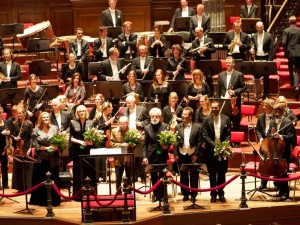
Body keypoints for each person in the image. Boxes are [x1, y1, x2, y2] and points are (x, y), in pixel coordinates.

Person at [29, 112, 61, 206]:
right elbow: (35, 145)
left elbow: (60, 140)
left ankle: (55, 200)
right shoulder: (36, 130)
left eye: (47, 117)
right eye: (44, 117)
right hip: (42, 159)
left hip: (53, 158)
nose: (46, 118)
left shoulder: (54, 128)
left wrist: (57, 147)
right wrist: (46, 148)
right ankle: (42, 201)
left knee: (54, 179)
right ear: (40, 119)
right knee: (42, 180)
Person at [202, 101, 231, 203]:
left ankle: (221, 193)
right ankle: (213, 194)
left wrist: (223, 146)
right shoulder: (206, 120)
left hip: (222, 151)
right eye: (213, 108)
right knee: (212, 173)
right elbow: (205, 136)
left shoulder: (226, 119)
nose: (214, 109)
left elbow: (228, 135)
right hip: (210, 151)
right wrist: (216, 147)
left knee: (222, 172)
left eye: (216, 108)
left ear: (219, 108)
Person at [266, 103, 295, 201]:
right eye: (274, 112)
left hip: (284, 152)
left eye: (277, 111)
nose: (276, 114)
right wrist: (271, 134)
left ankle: (285, 193)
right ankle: (280, 191)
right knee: (276, 172)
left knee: (283, 172)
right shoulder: (272, 122)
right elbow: (268, 135)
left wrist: (281, 136)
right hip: (274, 152)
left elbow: (291, 137)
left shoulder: (288, 122)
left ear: (282, 112)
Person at [174, 107, 202, 202]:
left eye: (185, 114)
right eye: (182, 114)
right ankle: (185, 194)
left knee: (194, 175)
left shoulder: (198, 127)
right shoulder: (178, 126)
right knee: (183, 175)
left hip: (193, 153)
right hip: (182, 153)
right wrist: (175, 154)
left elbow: (199, 142)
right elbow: (175, 141)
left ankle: (194, 194)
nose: (182, 116)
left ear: (190, 116)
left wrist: (196, 155)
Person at [70, 105, 96, 196]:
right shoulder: (72, 122)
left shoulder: (91, 122)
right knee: (78, 172)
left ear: (86, 112)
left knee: (89, 171)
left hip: (89, 150)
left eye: (83, 111)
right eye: (79, 111)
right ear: (77, 113)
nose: (81, 113)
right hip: (77, 151)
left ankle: (91, 194)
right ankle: (79, 194)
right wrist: (80, 142)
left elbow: (95, 137)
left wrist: (91, 142)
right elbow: (70, 138)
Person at [142, 107, 168, 202]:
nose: (154, 118)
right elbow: (145, 144)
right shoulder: (147, 128)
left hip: (162, 154)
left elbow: (168, 141)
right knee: (153, 176)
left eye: (156, 116)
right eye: (152, 116)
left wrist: (166, 147)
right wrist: (144, 156)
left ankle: (162, 195)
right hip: (151, 155)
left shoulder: (165, 126)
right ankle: (156, 195)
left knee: (162, 175)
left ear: (159, 117)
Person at [216, 56, 246, 131]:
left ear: (233, 63)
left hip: (234, 103)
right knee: (225, 123)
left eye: (229, 63)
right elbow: (218, 90)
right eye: (227, 63)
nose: (228, 64)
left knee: (236, 122)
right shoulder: (221, 75)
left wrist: (235, 92)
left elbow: (244, 87)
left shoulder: (239, 74)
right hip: (224, 101)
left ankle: (236, 142)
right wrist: (218, 101)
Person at [11, 105, 34, 192]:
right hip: (18, 147)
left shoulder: (29, 123)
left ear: (24, 114)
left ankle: (28, 187)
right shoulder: (14, 123)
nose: (19, 115)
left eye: (20, 113)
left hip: (27, 146)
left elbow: (32, 136)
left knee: (27, 167)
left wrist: (30, 148)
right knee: (19, 167)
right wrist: (14, 137)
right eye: (18, 113)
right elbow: (11, 134)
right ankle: (20, 187)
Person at [250, 21, 274, 99]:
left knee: (266, 77)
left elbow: (271, 49)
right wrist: (251, 49)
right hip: (257, 57)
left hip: (265, 58)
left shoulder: (269, 36)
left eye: (261, 27)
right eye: (258, 28)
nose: (259, 29)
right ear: (256, 28)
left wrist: (269, 61)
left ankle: (266, 94)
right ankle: (258, 94)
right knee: (256, 76)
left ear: (263, 27)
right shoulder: (253, 36)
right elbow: (252, 46)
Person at [255, 98, 274, 190]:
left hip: (273, 144)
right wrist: (260, 138)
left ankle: (277, 183)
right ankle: (263, 182)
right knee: (263, 163)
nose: (263, 107)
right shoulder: (260, 116)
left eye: (265, 106)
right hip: (263, 144)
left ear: (270, 107)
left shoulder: (276, 117)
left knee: (273, 163)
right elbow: (257, 129)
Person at [110, 116, 132, 190]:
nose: (122, 125)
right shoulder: (114, 131)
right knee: (118, 175)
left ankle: (129, 190)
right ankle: (118, 191)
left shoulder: (132, 130)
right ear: (118, 123)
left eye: (124, 124)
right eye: (121, 124)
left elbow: (135, 142)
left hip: (129, 156)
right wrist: (121, 145)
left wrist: (128, 144)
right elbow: (112, 143)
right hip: (118, 156)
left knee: (129, 175)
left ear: (127, 123)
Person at [282, 16, 300, 93]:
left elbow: (284, 42)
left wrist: (285, 49)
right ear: (295, 22)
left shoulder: (286, 30)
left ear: (289, 22)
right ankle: (296, 85)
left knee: (290, 66)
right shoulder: (299, 30)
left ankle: (292, 82)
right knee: (298, 69)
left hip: (289, 51)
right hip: (298, 51)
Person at [0, 107, 10, 189]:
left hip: (4, 147)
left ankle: (5, 184)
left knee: (4, 166)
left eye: (1, 113)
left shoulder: (6, 122)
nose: (0, 114)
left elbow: (9, 131)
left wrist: (8, 133)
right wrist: (1, 133)